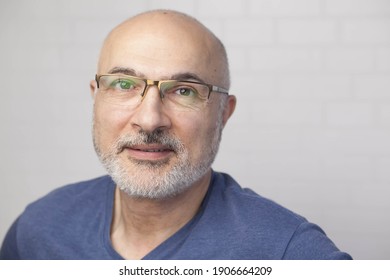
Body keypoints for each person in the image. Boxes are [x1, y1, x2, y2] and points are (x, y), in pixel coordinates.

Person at [0, 10, 351, 260]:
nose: (149, 120)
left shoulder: (288, 253)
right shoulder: (38, 231)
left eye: (184, 90)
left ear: (223, 114)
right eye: (123, 84)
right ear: (96, 98)